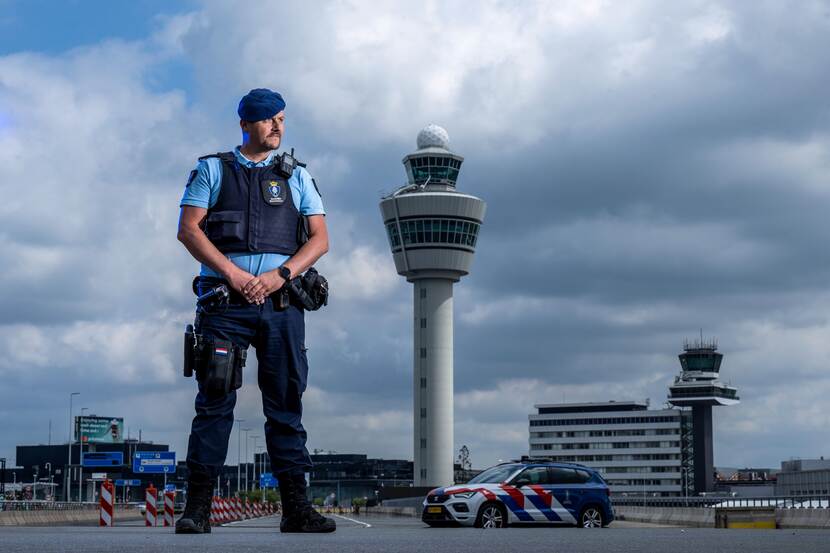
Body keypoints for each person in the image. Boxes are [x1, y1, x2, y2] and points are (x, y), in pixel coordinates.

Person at [175, 88, 335, 534]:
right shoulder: (212, 170)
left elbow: (320, 239)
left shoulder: (297, 175)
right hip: (225, 304)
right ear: (245, 124)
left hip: (282, 303)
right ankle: (197, 509)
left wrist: (281, 275)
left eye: (282, 118)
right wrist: (232, 274)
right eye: (268, 119)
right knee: (214, 403)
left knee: (285, 405)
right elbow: (188, 230)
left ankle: (296, 509)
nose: (277, 126)